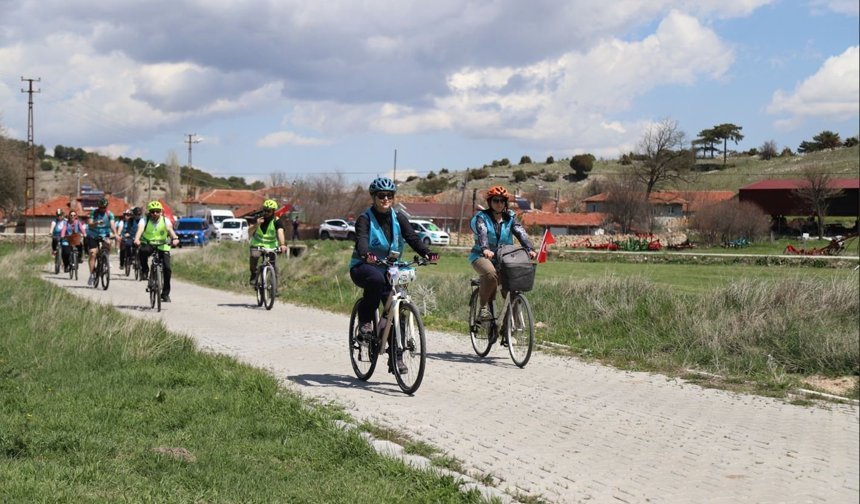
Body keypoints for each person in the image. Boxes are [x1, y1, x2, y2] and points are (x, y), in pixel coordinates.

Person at [349, 177, 438, 374]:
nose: (386, 199)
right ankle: (365, 322)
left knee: (398, 310)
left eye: (390, 196)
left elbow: (412, 238)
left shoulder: (399, 218)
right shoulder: (365, 219)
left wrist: (427, 253)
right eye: (381, 195)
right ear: (374, 197)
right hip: (363, 266)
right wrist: (366, 254)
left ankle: (396, 357)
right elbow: (361, 239)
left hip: (390, 268)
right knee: (376, 280)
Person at [469, 185, 536, 321]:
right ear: (490, 202)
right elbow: (482, 233)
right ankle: (483, 308)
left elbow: (520, 232)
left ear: (506, 203)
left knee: (512, 288)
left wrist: (529, 248)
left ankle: (508, 326)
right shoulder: (482, 217)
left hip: (504, 256)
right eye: (496, 200)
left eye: (502, 201)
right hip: (481, 256)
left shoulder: (510, 217)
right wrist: (485, 249)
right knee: (490, 273)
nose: (499, 203)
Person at [134, 200, 180, 303]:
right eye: (152, 211)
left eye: (157, 211)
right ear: (149, 212)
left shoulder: (165, 220)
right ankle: (145, 270)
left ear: (161, 212)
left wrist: (175, 238)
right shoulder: (144, 220)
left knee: (167, 269)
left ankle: (165, 294)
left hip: (162, 245)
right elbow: (140, 230)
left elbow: (170, 230)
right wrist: (137, 239)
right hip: (148, 243)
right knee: (142, 251)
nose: (155, 213)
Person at [248, 199, 288, 286]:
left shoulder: (276, 220)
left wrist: (282, 244)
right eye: (264, 210)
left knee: (273, 266)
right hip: (257, 244)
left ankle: (273, 286)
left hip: (271, 246)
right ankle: (254, 274)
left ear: (273, 211)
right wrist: (257, 224)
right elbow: (249, 231)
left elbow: (280, 232)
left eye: (268, 211)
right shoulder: (257, 218)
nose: (266, 213)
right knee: (254, 256)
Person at [85, 197, 117, 287]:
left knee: (108, 242)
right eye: (101, 207)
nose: (103, 209)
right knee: (92, 253)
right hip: (93, 234)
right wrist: (96, 223)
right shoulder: (94, 213)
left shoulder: (109, 214)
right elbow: (90, 225)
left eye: (104, 207)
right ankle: (92, 274)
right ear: (98, 207)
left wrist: (115, 233)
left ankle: (106, 258)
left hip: (104, 234)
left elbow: (112, 225)